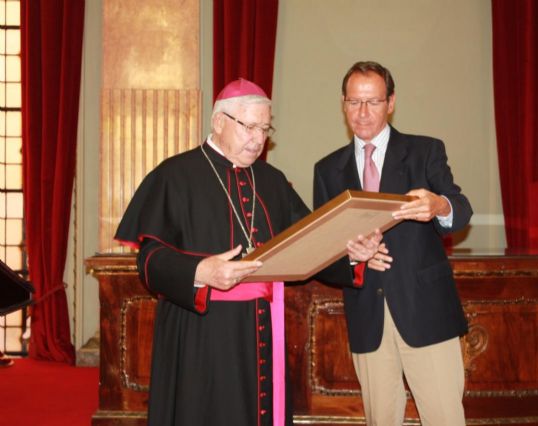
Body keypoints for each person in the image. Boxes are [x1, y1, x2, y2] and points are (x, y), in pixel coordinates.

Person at [115, 78, 381, 426]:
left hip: (260, 330)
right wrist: (201, 272)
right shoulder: (175, 175)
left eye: (265, 128)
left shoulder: (271, 181)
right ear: (219, 122)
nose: (258, 139)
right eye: (250, 127)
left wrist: (353, 256)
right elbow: (148, 261)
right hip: (202, 334)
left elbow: (309, 244)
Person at [313, 61, 473, 425]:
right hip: (368, 315)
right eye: (354, 102)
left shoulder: (425, 151)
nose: (363, 113)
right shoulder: (327, 170)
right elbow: (324, 254)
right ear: (343, 104)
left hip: (425, 310)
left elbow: (461, 210)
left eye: (372, 101)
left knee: (445, 418)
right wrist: (354, 260)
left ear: (391, 102)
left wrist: (438, 205)